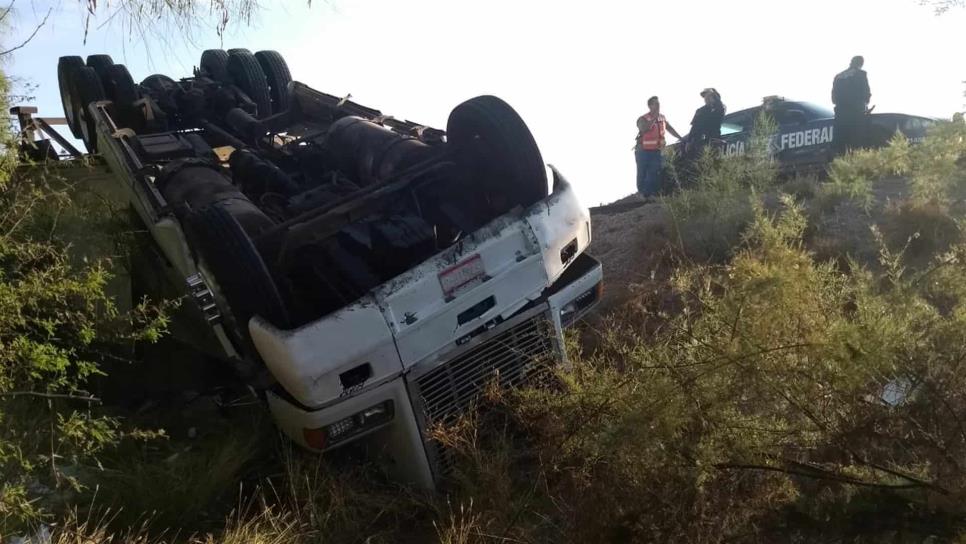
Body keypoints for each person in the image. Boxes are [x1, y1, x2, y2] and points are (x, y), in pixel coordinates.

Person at [634, 96, 682, 198]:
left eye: (658, 103)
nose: (658, 105)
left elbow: (669, 128)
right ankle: (643, 194)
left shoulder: (662, 118)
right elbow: (644, 129)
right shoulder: (643, 118)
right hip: (643, 151)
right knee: (643, 172)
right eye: (655, 104)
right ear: (650, 106)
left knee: (655, 172)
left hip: (656, 150)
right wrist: (654, 117)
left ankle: (651, 194)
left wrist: (680, 138)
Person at [831, 55, 871, 156]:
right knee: (857, 143)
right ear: (860, 63)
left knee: (839, 144)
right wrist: (865, 105)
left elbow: (833, 98)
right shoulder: (861, 74)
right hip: (856, 114)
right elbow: (866, 94)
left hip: (840, 114)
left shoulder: (838, 76)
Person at [685, 88, 726, 159]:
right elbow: (694, 127)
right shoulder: (701, 111)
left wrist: (713, 96)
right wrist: (689, 141)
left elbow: (720, 108)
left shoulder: (719, 109)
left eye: (708, 96)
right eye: (705, 97)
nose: (706, 98)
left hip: (714, 139)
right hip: (700, 141)